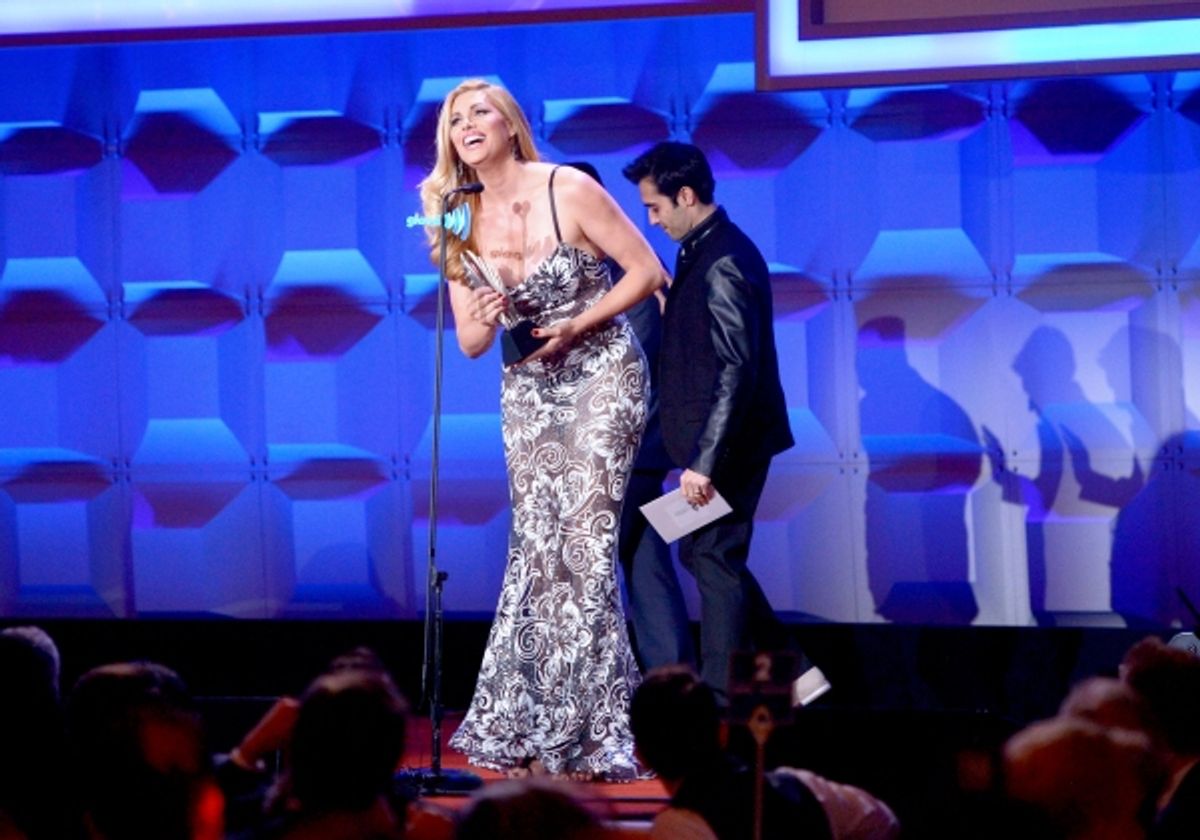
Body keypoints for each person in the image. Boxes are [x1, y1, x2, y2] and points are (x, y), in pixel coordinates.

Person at [418, 79, 667, 781]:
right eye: (455, 119)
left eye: (480, 112)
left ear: (510, 123)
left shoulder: (566, 187)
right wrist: (492, 307)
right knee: (538, 547)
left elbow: (646, 272)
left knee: (585, 546)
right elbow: (469, 340)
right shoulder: (457, 215)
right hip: (529, 387)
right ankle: (532, 718)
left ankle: (587, 733)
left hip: (600, 376)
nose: (468, 125)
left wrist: (576, 324)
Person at [622, 141, 825, 707]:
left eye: (656, 207)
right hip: (712, 444)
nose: (652, 220)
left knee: (712, 556)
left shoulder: (726, 258)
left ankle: (720, 698)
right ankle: (800, 673)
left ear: (686, 196)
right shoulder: (700, 249)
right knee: (697, 550)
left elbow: (737, 367)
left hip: (728, 448)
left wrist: (704, 464)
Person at [564, 159, 696, 673]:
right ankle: (670, 681)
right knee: (643, 562)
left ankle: (597, 692)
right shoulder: (591, 276)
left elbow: (624, 379)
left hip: (622, 451)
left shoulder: (629, 278)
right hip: (611, 453)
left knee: (592, 571)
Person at [630, 665, 899, 840]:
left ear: (639, 753)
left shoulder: (676, 828)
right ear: (722, 733)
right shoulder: (800, 785)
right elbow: (882, 820)